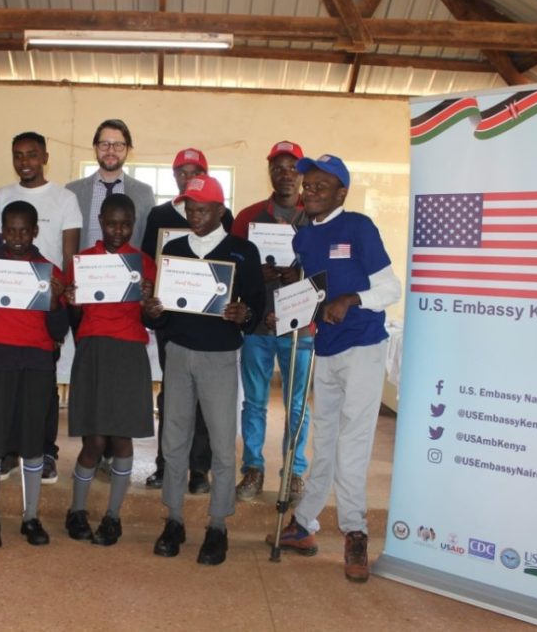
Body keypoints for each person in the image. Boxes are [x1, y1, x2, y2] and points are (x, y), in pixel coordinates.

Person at [274, 154, 401, 583]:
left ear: (340, 192)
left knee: (353, 441)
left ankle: (355, 531)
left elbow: (390, 286)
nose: (309, 192)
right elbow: (312, 288)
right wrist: (289, 297)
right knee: (323, 437)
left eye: (320, 187)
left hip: (363, 345)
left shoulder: (359, 227)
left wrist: (351, 300)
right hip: (324, 348)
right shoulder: (303, 235)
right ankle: (306, 524)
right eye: (307, 185)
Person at [144, 172, 266, 566]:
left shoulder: (242, 252)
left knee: (220, 443)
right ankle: (174, 519)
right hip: (178, 353)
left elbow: (256, 308)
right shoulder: (175, 248)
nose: (194, 216)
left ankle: (218, 525)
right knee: (174, 439)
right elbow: (162, 314)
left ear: (220, 209)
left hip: (218, 358)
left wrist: (243, 314)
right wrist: (154, 313)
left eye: (202, 210)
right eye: (190, 209)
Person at [0, 200, 70, 548]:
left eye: (24, 230)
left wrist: (53, 304)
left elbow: (60, 330)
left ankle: (30, 517)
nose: (17, 237)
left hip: (36, 364)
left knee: (33, 443)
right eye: (10, 230)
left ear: (36, 231)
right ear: (2, 231)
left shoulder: (50, 272)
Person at [140, 148, 235, 493]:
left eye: (194, 171)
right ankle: (167, 465)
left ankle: (199, 469)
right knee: (173, 396)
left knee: (207, 399)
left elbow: (231, 269)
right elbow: (151, 261)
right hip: (174, 322)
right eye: (181, 171)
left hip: (211, 324)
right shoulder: (158, 214)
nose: (186, 176)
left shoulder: (224, 215)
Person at [63, 194, 156, 546]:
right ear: (100, 221)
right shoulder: (83, 261)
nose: (118, 230)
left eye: (125, 224)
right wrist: (72, 302)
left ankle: (113, 516)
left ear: (134, 224)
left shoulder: (144, 263)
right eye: (111, 223)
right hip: (94, 351)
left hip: (129, 352)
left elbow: (152, 317)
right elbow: (75, 317)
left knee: (121, 439)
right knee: (93, 440)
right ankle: (76, 510)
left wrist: (150, 301)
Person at [0, 132, 83, 483]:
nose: (25, 161)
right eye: (18, 155)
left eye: (32, 154)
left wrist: (62, 298)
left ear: (46, 156)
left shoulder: (64, 198)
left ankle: (45, 451)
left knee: (43, 386)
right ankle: (9, 451)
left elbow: (69, 254)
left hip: (47, 304)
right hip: (8, 303)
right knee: (10, 384)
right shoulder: (3, 196)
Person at [231, 141, 313, 501]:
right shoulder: (248, 217)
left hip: (301, 329)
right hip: (258, 328)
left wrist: (303, 277)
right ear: (270, 172)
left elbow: (331, 273)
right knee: (255, 402)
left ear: (302, 173)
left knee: (297, 404)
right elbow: (230, 270)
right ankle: (252, 468)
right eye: (278, 167)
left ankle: (293, 472)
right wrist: (255, 274)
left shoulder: (316, 216)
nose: (285, 174)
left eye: (292, 167)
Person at [66, 119, 155, 250]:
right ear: (95, 147)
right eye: (104, 144)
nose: (111, 151)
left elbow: (148, 242)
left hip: (129, 269)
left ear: (128, 149)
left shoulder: (144, 193)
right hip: (85, 269)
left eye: (118, 145)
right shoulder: (73, 191)